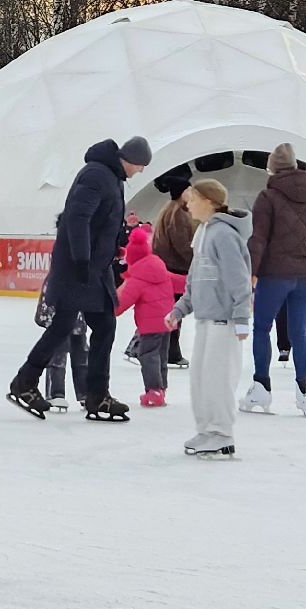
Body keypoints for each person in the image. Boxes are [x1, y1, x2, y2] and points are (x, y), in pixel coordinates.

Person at [6, 136, 151, 421]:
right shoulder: (98, 174)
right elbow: (77, 218)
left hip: (94, 267)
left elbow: (99, 221)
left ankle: (94, 395)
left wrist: (115, 242)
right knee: (65, 327)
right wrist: (83, 259)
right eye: (141, 165)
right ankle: (27, 383)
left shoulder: (110, 177)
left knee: (101, 325)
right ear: (131, 160)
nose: (141, 171)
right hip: (80, 267)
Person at [166, 178, 252, 456]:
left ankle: (222, 432)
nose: (187, 204)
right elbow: (196, 279)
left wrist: (241, 318)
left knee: (218, 380)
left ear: (209, 202)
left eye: (192, 198)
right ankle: (207, 430)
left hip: (223, 322)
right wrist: (180, 309)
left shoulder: (224, 235)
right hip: (205, 319)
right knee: (201, 380)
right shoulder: (204, 233)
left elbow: (239, 280)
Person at [243, 143, 306, 417]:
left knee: (262, 328)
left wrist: (252, 271)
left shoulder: (268, 197)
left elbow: (259, 238)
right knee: (299, 332)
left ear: (273, 167)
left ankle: (261, 386)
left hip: (276, 273)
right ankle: (303, 390)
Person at [115, 226, 177, 407]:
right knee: (161, 356)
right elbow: (180, 282)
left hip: (150, 325)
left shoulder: (137, 278)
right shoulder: (160, 268)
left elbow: (123, 302)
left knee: (148, 355)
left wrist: (109, 310)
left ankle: (154, 390)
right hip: (168, 321)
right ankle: (161, 388)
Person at [149, 173, 197, 369]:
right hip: (174, 269)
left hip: (172, 267)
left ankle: (170, 350)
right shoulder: (177, 213)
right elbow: (183, 245)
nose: (191, 193)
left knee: (172, 311)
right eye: (188, 190)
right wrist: (198, 260)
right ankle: (170, 351)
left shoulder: (175, 210)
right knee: (173, 311)